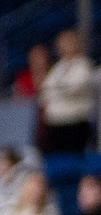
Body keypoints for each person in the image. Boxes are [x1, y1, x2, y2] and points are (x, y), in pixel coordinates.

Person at [39, 26, 95, 156]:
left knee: (74, 157)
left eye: (68, 43)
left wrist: (58, 92)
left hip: (76, 121)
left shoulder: (83, 65)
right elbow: (46, 88)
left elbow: (75, 89)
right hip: (56, 121)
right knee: (59, 157)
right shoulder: (58, 67)